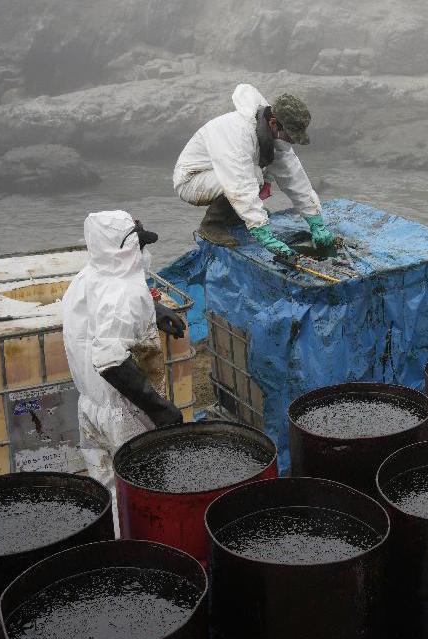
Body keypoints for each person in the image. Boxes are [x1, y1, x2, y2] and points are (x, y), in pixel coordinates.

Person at [62, 210, 186, 491]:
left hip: (91, 408)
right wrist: (160, 408)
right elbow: (109, 361)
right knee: (144, 495)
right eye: (139, 246)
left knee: (108, 490)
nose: (143, 252)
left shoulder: (88, 276)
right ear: (124, 249)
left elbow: (102, 314)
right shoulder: (125, 293)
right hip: (126, 415)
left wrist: (151, 310)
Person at [172, 83, 333, 254]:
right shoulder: (238, 133)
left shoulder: (273, 137)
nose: (292, 141)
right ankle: (212, 225)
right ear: (273, 123)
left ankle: (235, 217)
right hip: (192, 179)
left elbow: (294, 178)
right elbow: (240, 185)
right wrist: (262, 232)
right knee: (254, 178)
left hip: (220, 176)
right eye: (290, 136)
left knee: (257, 178)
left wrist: (316, 222)